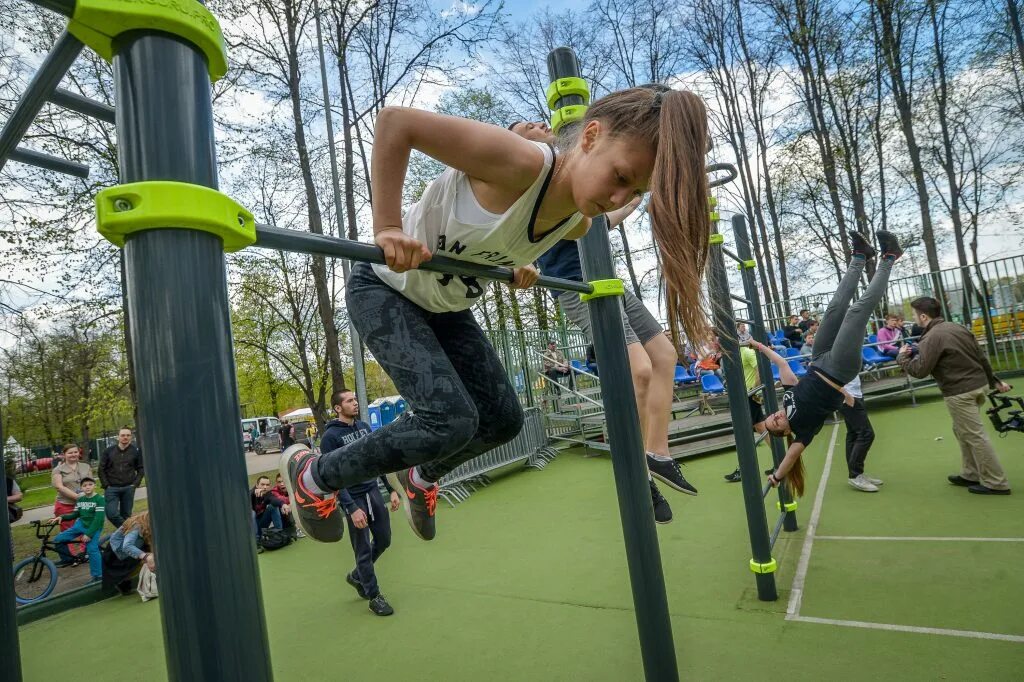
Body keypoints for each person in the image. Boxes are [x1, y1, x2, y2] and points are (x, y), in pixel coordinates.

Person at [280, 84, 712, 544]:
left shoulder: (577, 220)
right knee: (449, 419)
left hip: (448, 307)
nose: (618, 195)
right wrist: (387, 226)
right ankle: (314, 476)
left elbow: (509, 232)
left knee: (504, 420)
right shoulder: (522, 164)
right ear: (589, 137)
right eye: (620, 175)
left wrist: (512, 266)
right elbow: (395, 123)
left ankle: (421, 477)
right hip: (386, 288)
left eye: (635, 190)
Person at [753, 230, 903, 497]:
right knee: (856, 312)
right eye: (776, 423)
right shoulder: (802, 431)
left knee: (834, 308)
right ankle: (889, 257)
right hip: (838, 369)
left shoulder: (787, 399)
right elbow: (790, 458)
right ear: (785, 431)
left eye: (771, 417)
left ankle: (860, 256)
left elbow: (784, 366)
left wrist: (758, 345)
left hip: (818, 359)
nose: (774, 417)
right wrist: (777, 476)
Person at [898, 296, 1013, 495]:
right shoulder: (957, 327)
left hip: (960, 391)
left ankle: (996, 483)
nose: (914, 318)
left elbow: (920, 370)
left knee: (975, 436)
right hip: (978, 385)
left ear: (923, 316)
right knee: (961, 430)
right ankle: (970, 473)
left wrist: (901, 358)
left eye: (915, 314)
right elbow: (981, 356)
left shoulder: (931, 336)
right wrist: (994, 380)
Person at [321, 389, 400, 616]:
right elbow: (333, 478)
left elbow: (378, 460)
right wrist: (351, 508)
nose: (355, 403)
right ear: (338, 408)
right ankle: (374, 596)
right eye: (349, 401)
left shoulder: (364, 427)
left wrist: (392, 489)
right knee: (363, 549)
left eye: (355, 399)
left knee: (384, 540)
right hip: (353, 498)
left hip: (373, 491)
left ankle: (357, 575)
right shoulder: (330, 438)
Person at [724, 342, 769, 483]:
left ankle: (742, 470)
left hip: (749, 396)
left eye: (714, 339)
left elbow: (759, 370)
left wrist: (754, 391)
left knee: (744, 433)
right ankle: (781, 458)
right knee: (762, 428)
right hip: (745, 396)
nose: (713, 343)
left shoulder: (746, 352)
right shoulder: (730, 355)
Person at [50, 476, 104, 580]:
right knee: (58, 540)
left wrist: (88, 534)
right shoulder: (80, 499)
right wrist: (61, 517)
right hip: (80, 525)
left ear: (95, 486)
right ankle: (68, 559)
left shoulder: (99, 499)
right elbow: (75, 514)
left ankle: (98, 576)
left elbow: (99, 520)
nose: (87, 487)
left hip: (93, 527)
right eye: (84, 485)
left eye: (90, 484)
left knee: (92, 549)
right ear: (81, 488)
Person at [838, 374, 882, 492]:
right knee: (867, 434)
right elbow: (825, 376)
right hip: (847, 397)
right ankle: (855, 474)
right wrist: (846, 394)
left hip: (855, 394)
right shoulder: (833, 355)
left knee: (853, 434)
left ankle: (856, 474)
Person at [51, 443, 93, 556]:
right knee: (68, 531)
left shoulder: (86, 466)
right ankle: (71, 556)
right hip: (65, 504)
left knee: (85, 528)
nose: (73, 454)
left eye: (75, 452)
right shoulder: (58, 470)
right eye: (70, 453)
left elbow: (91, 483)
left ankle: (85, 552)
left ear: (79, 453)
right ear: (64, 454)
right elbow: (59, 486)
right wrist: (78, 497)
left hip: (85, 504)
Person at [99, 426, 144, 528]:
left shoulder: (135, 451)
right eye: (123, 435)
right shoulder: (108, 451)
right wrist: (106, 485)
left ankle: (126, 539)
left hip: (128, 488)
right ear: (118, 437)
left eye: (128, 435)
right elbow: (101, 469)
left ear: (131, 437)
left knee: (126, 515)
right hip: (111, 488)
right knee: (111, 514)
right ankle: (130, 530)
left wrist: (135, 484)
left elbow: (141, 469)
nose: (125, 437)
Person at [103, 511, 155, 595]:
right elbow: (127, 546)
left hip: (132, 549)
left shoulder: (147, 527)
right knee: (149, 559)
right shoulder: (137, 525)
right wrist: (146, 557)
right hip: (118, 556)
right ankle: (123, 581)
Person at [270, 473, 304, 538]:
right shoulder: (274, 491)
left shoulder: (293, 488)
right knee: (289, 505)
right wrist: (290, 504)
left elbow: (301, 498)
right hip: (283, 519)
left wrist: (291, 504)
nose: (282, 484)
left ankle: (302, 527)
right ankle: (298, 529)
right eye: (279, 482)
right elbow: (281, 499)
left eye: (284, 481)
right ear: (276, 483)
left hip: (294, 516)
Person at [6, 466, 22, 561]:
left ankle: (9, 571)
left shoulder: (7, 480)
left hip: (4, 520)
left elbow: (19, 496)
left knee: (7, 545)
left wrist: (4, 499)